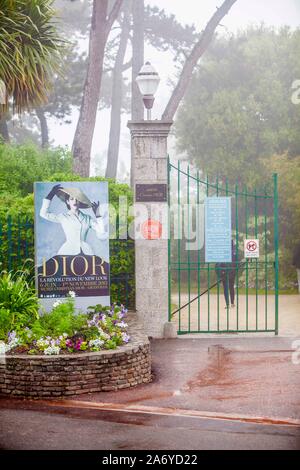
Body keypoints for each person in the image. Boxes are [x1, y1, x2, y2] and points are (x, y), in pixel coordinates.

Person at [40, 184, 105, 256]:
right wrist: (51, 194)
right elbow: (43, 214)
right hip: (67, 251)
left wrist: (98, 215)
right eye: (71, 199)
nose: (75, 201)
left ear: (80, 202)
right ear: (67, 201)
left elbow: (102, 232)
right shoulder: (63, 217)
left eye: (77, 199)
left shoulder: (87, 218)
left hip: (86, 252)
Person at [215, 241, 237, 308]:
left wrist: (221, 272)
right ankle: (232, 303)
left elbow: (219, 264)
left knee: (226, 288)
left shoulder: (223, 252)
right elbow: (236, 263)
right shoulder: (234, 253)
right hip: (231, 272)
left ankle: (228, 304)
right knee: (231, 287)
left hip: (225, 272)